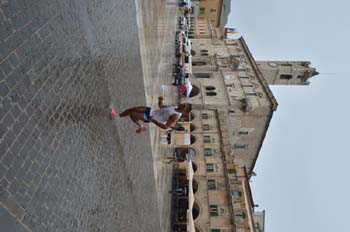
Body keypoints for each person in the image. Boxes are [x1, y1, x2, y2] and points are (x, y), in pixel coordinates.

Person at [111, 96, 192, 133]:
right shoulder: (175, 106)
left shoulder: (176, 116)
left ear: (185, 111)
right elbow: (161, 106)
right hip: (152, 111)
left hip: (151, 117)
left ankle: (141, 126)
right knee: (134, 108)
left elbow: (165, 127)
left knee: (132, 114)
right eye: (184, 104)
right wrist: (160, 100)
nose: (183, 105)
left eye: (185, 107)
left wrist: (153, 120)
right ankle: (118, 115)